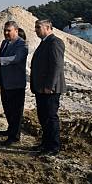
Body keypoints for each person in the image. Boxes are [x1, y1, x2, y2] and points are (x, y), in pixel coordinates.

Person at [0, 21, 29, 146]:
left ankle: (14, 136)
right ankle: (11, 129)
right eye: (4, 30)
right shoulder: (4, 42)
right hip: (4, 81)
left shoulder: (22, 44)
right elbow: (2, 56)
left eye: (8, 30)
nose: (5, 33)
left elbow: (16, 58)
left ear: (16, 30)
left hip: (16, 83)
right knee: (7, 108)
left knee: (16, 111)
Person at [30, 19, 66, 156]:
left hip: (50, 89)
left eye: (38, 27)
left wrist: (50, 86)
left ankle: (53, 147)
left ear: (48, 27)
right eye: (35, 27)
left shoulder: (55, 42)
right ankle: (45, 144)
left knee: (51, 118)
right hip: (41, 88)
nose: (36, 30)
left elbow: (57, 66)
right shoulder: (44, 42)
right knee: (43, 117)